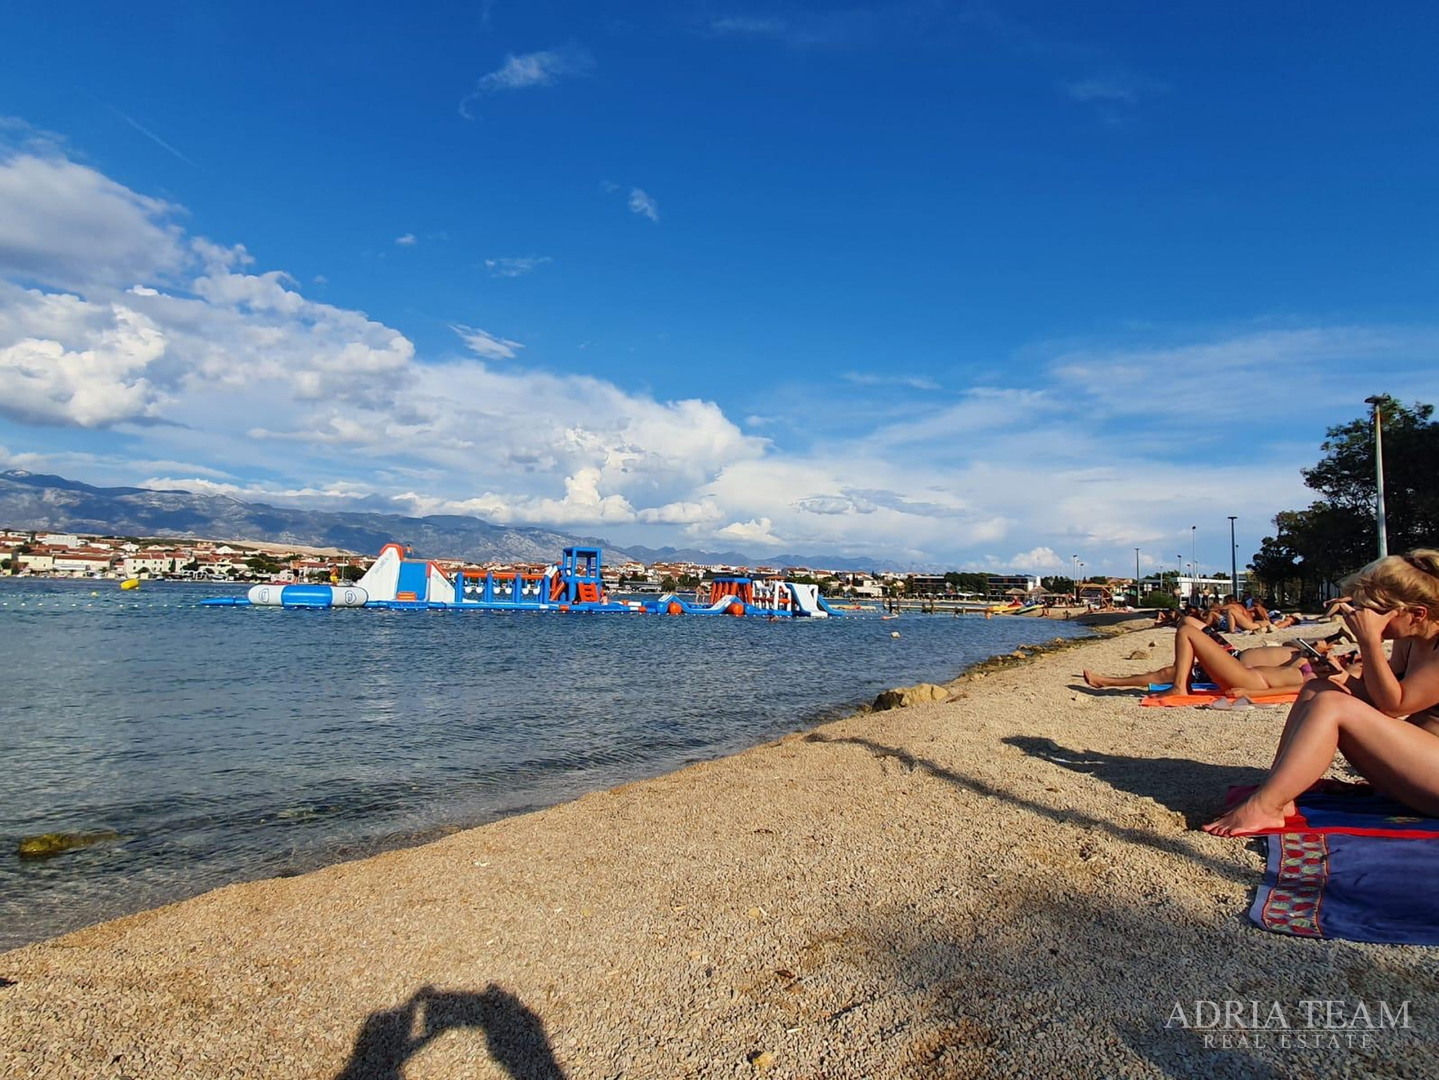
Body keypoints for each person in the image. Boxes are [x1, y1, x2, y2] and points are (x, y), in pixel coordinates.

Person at [1204, 550, 1439, 836]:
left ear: (1417, 614)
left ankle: (1266, 806)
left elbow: (1396, 704)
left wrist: (1369, 643)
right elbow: (1380, 700)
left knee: (1332, 704)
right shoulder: (1412, 638)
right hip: (1423, 763)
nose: (1363, 617)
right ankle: (1279, 795)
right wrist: (1343, 679)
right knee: (1319, 688)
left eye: (1374, 612)